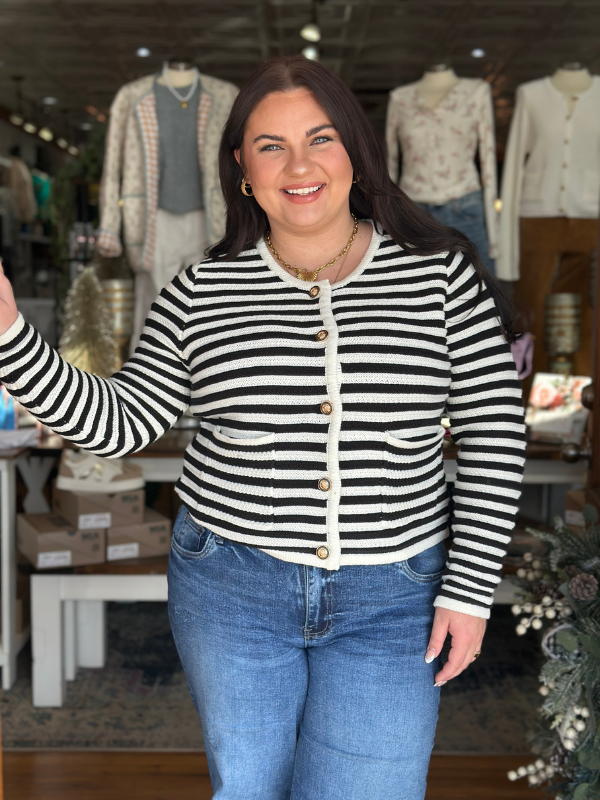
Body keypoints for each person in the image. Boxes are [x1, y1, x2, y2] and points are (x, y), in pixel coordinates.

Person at [0, 56, 526, 800]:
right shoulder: (201, 289)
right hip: (230, 589)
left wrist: (470, 589)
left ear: (356, 152)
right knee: (247, 790)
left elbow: (496, 431)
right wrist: (10, 331)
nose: (299, 165)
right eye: (270, 145)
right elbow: (119, 424)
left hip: (394, 597)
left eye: (321, 139)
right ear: (242, 165)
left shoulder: (438, 276)